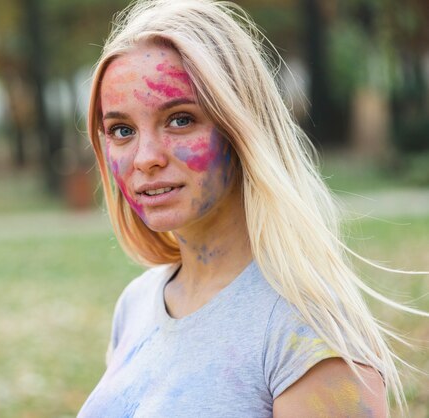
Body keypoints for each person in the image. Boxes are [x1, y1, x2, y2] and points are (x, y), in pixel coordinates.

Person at [78, 0, 426, 416]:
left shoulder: (308, 332)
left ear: (240, 130)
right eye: (121, 130)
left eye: (180, 120)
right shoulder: (136, 303)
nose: (145, 157)